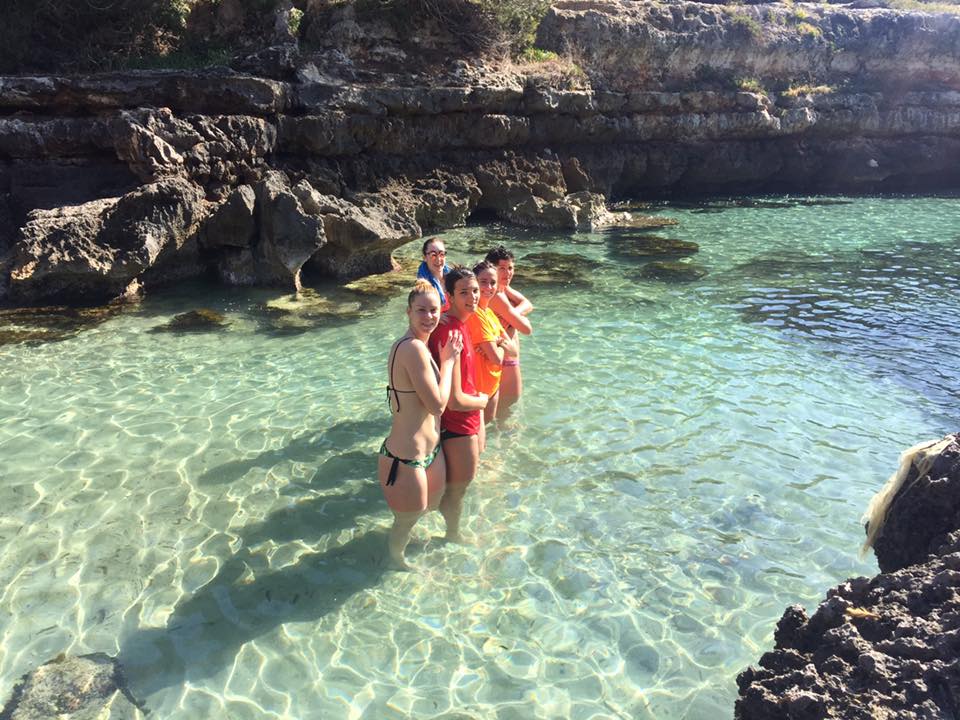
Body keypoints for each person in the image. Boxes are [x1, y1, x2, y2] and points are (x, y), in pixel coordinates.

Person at [379, 279, 462, 569]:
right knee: (406, 521)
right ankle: (395, 561)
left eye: (434, 310)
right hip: (404, 460)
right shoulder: (412, 349)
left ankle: (410, 550)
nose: (429, 317)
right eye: (421, 311)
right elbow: (438, 404)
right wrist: (450, 361)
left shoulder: (418, 347)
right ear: (408, 312)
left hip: (429, 453)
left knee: (428, 508)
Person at [428, 266, 488, 542]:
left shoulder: (455, 321)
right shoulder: (449, 331)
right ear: (450, 295)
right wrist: (483, 401)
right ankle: (451, 534)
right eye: (464, 292)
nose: (473, 297)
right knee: (457, 489)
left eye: (475, 291)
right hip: (458, 423)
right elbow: (454, 400)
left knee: (458, 486)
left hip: (468, 420)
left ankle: (448, 525)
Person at [484, 245, 533, 418]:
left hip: (505, 358)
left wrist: (511, 315)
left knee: (504, 412)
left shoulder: (502, 288)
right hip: (506, 361)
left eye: (510, 268)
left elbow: (527, 303)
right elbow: (526, 328)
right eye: (502, 269)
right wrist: (512, 318)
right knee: (508, 412)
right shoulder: (496, 295)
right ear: (491, 268)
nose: (508, 273)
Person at [466, 261, 517, 424]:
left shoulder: (489, 313)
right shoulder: (476, 315)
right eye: (483, 282)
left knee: (489, 433)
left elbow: (513, 350)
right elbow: (497, 358)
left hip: (493, 384)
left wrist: (497, 345)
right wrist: (500, 346)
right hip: (479, 391)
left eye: (493, 282)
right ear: (474, 283)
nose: (489, 287)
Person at [416, 238, 450, 312]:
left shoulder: (454, 278)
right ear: (424, 257)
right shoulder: (422, 287)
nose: (438, 259)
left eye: (442, 254)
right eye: (433, 255)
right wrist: (438, 317)